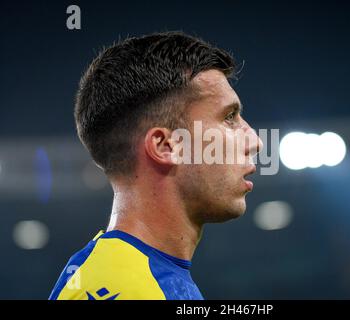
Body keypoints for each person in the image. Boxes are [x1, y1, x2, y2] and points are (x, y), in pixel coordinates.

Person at [49, 31, 262, 300]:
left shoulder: (122, 274)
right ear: (165, 146)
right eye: (229, 117)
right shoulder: (127, 290)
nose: (255, 140)